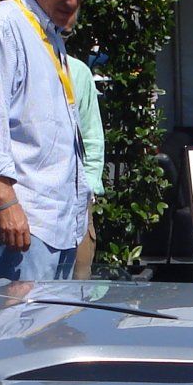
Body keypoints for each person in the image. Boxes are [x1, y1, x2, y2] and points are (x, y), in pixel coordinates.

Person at [0, 0, 95, 282]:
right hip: (26, 221)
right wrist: (6, 201)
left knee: (51, 333)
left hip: (59, 221)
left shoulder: (50, 35)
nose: (73, 1)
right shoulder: (6, 23)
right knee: (17, 331)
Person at [68, 54, 105, 280]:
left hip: (77, 202)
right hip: (28, 204)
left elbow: (92, 134)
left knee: (78, 291)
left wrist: (89, 186)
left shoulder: (77, 71)